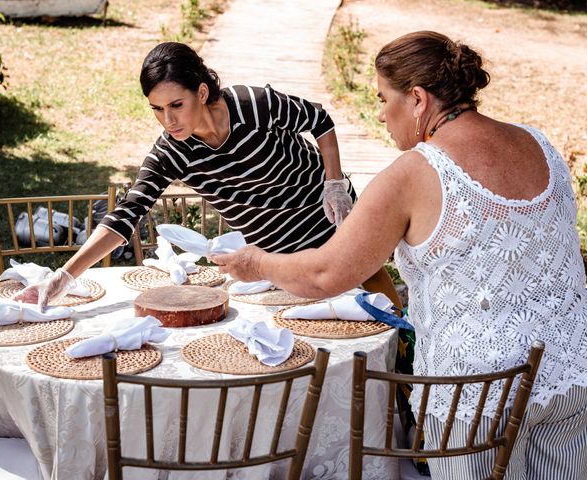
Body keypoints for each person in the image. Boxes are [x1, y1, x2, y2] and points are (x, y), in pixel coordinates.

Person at [212, 31, 587, 479]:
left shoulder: (413, 172)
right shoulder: (539, 143)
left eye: (382, 98)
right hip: (570, 373)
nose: (380, 113)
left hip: (479, 395)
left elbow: (325, 272)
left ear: (416, 99)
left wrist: (256, 263)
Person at [15, 41, 400, 308]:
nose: (169, 120)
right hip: (274, 249)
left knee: (375, 296)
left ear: (201, 92)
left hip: (323, 217)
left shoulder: (255, 106)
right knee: (327, 334)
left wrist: (334, 184)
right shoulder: (172, 152)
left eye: (176, 105)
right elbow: (126, 215)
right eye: (157, 109)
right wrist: (64, 276)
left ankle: (410, 367)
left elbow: (320, 120)